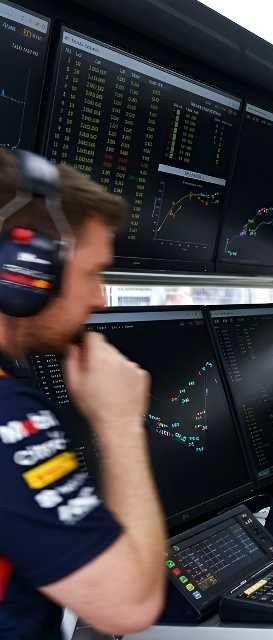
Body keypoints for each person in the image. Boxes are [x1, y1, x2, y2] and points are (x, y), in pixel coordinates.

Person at [0, 150, 166, 637]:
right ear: (24, 269)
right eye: (93, 273)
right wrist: (119, 421)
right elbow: (128, 605)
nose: (99, 298)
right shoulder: (8, 417)